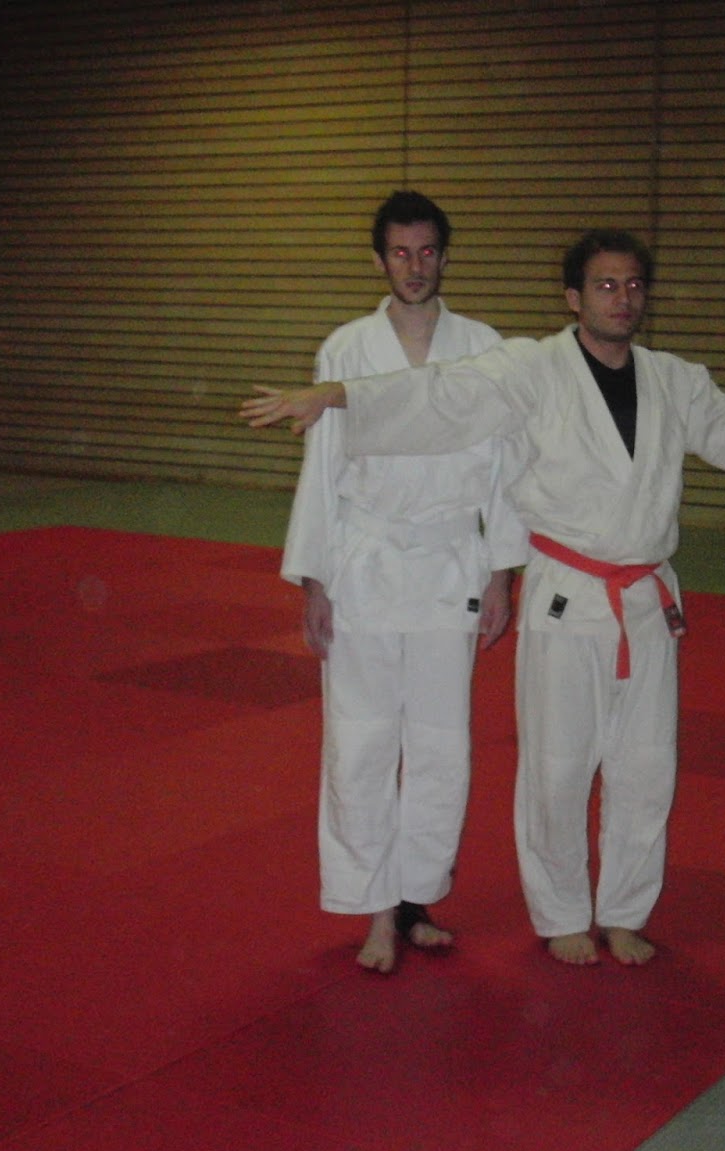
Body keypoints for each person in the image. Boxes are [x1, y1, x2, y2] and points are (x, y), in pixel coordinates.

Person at [243, 229, 725, 968]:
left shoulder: (673, 380)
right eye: (604, 285)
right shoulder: (534, 369)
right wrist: (340, 395)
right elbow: (443, 394)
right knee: (558, 770)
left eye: (633, 285)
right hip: (567, 594)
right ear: (573, 297)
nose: (622, 299)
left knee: (646, 768)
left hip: (646, 600)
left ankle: (624, 912)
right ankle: (562, 912)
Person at [281, 190, 527, 974]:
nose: (414, 266)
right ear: (379, 259)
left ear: (445, 257)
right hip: (366, 559)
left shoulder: (484, 347)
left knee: (441, 743)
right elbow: (322, 468)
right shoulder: (345, 348)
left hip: (452, 562)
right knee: (360, 739)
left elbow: (506, 470)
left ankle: (417, 898)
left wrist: (503, 572)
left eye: (426, 252)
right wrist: (314, 579)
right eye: (399, 252)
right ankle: (375, 912)